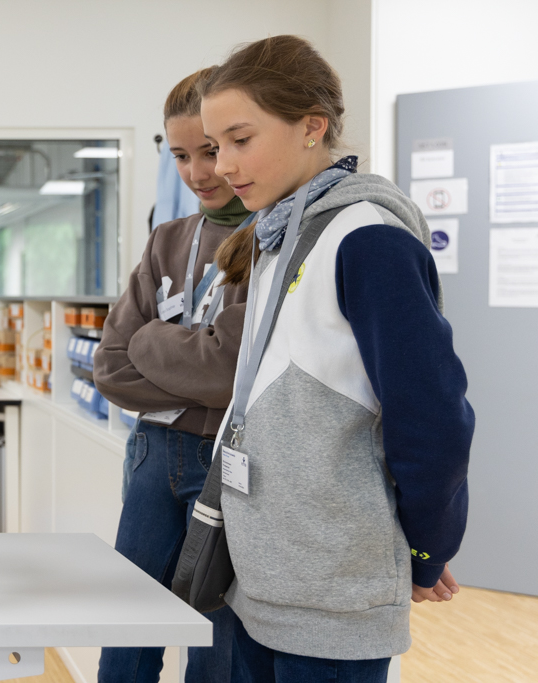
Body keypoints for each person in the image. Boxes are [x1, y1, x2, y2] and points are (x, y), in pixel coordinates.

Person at [198, 35, 473, 682]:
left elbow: (433, 417)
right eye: (215, 147)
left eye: (241, 139)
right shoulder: (279, 233)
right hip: (264, 577)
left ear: (312, 127)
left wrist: (427, 546)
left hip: (331, 592)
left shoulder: (367, 238)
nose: (222, 165)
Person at [93, 67, 251, 683]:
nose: (197, 173)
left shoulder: (269, 238)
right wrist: (195, 360)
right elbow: (110, 366)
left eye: (209, 152)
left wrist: (153, 341)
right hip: (152, 456)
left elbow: (231, 371)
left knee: (216, 639)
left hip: (228, 462)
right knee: (127, 629)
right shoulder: (167, 239)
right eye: (182, 155)